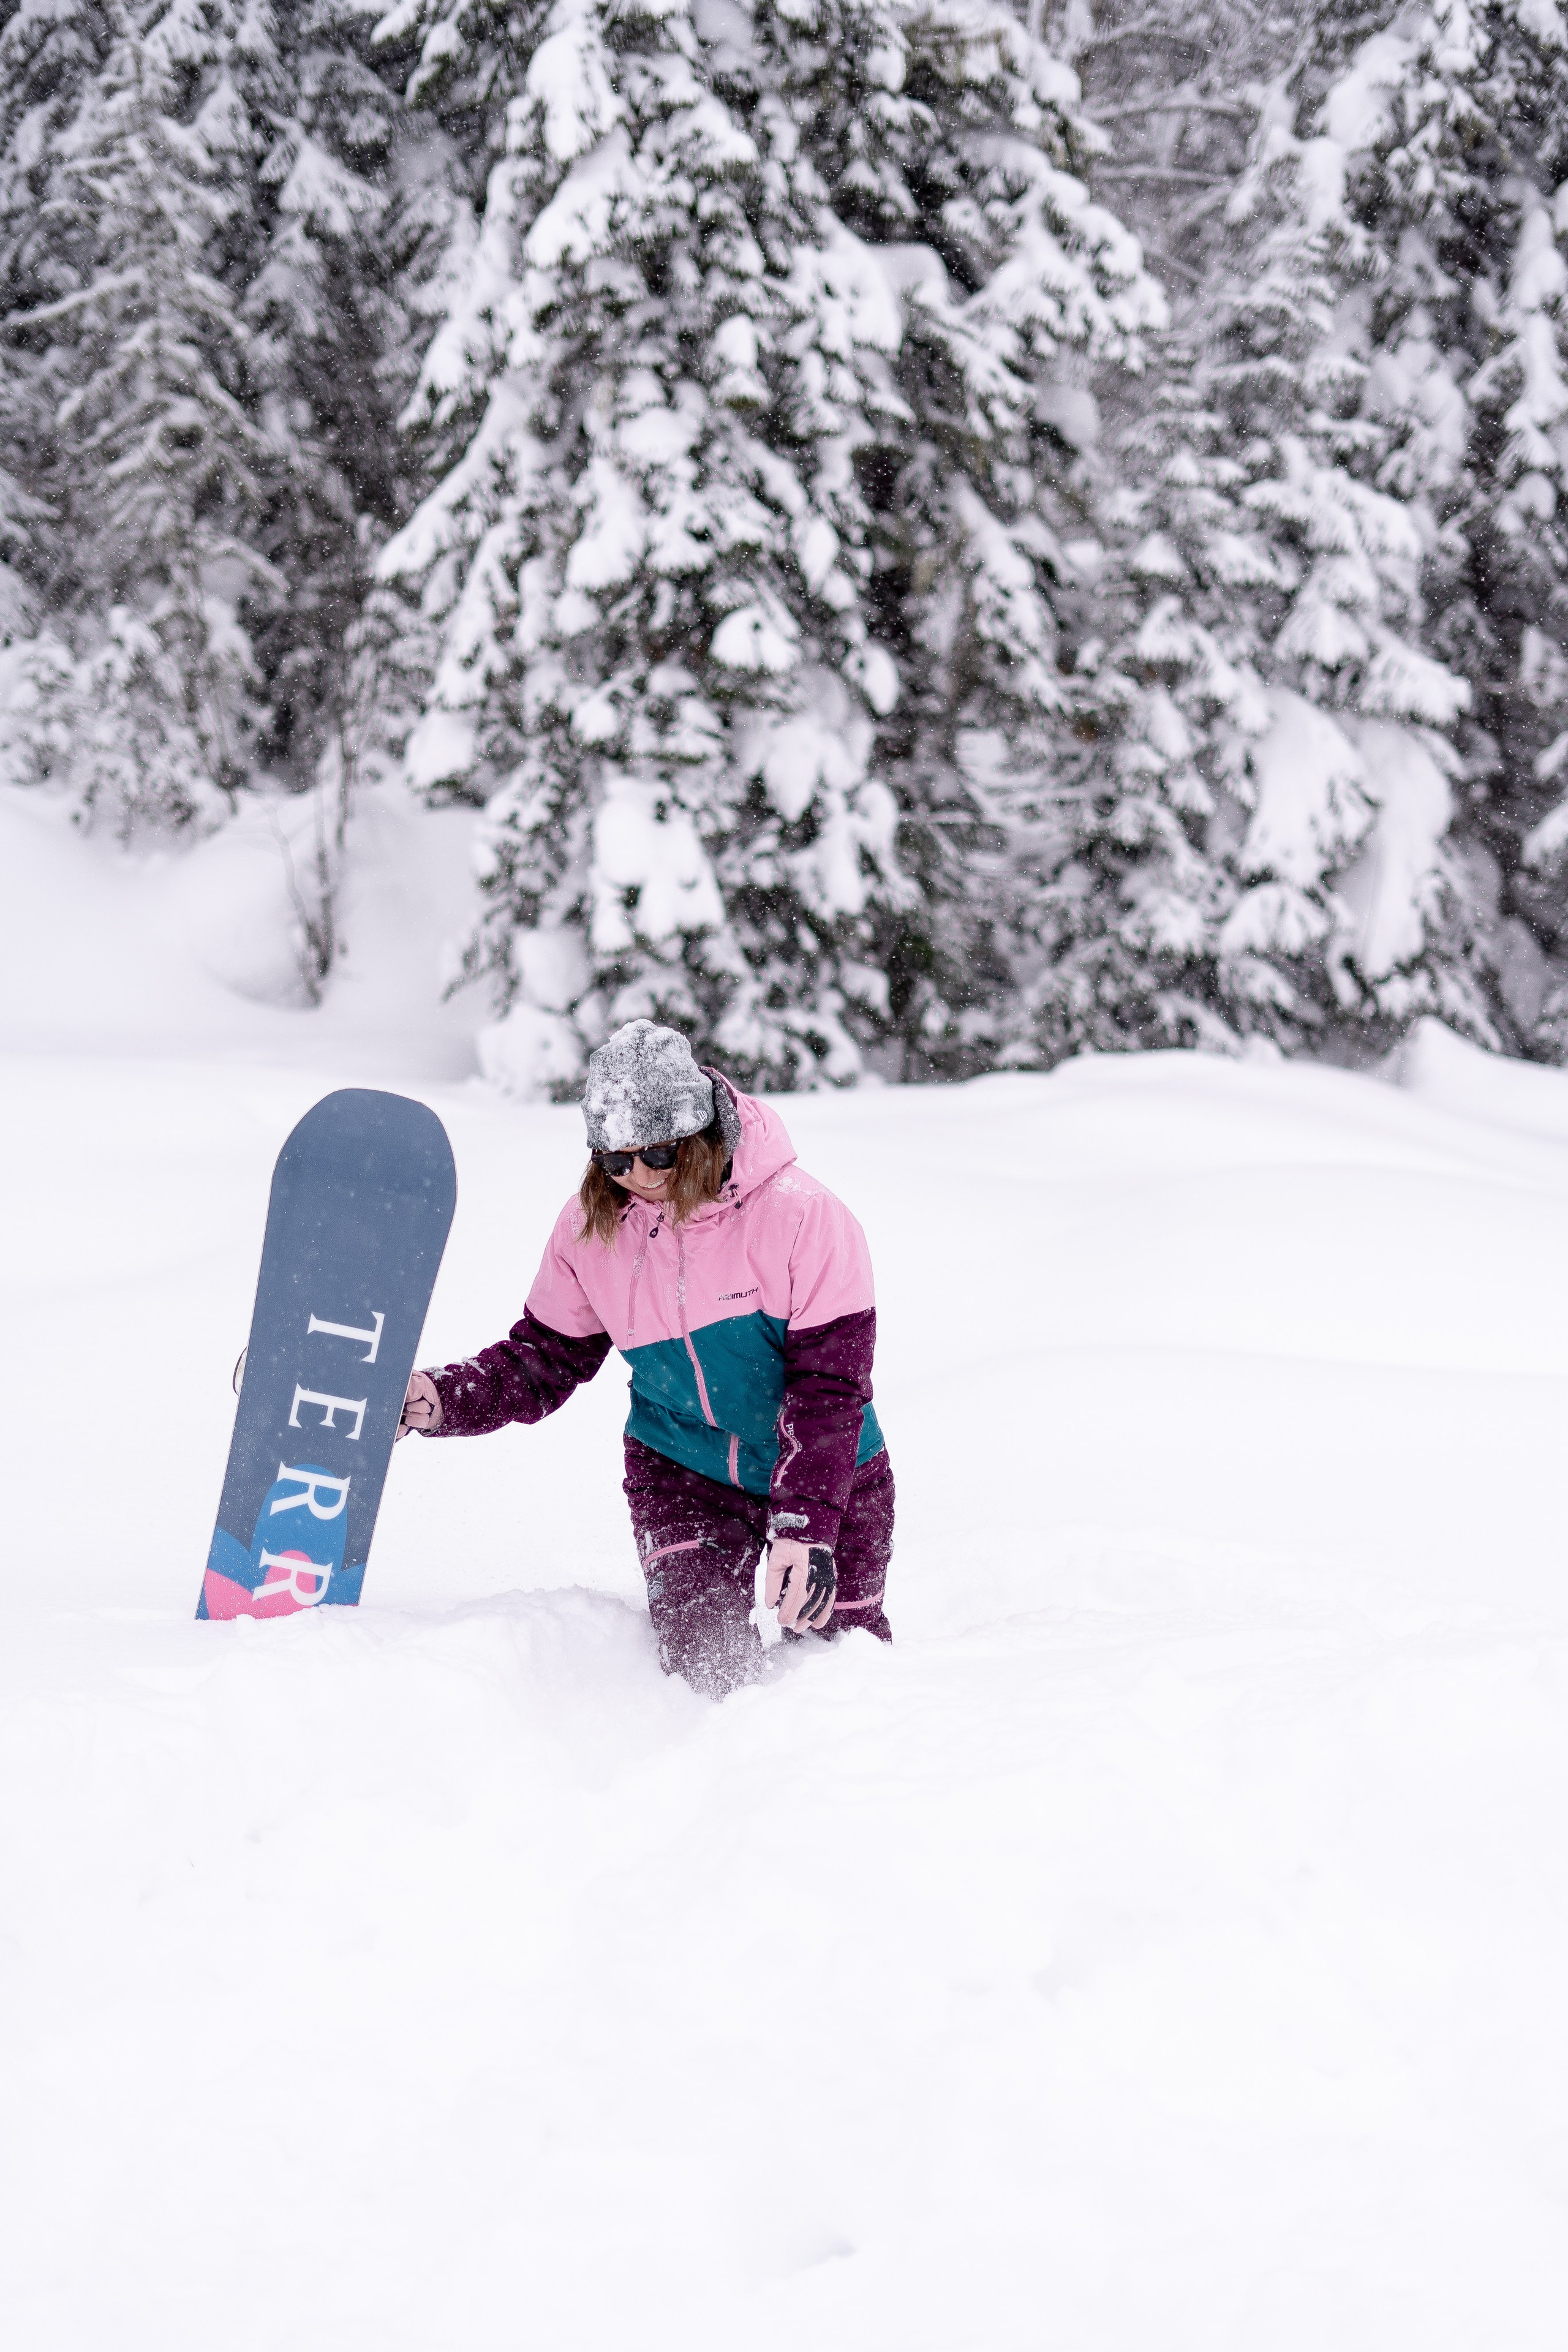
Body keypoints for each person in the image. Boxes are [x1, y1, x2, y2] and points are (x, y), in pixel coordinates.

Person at [399, 1019, 894, 1695]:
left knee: (839, 1671)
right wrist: (442, 1398)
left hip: (825, 1471)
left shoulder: (802, 1217)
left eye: (656, 1154)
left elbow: (828, 1388)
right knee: (706, 1670)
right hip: (682, 1471)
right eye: (613, 1159)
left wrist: (806, 1527)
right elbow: (541, 1358)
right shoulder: (590, 1229)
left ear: (696, 1136)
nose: (636, 1176)